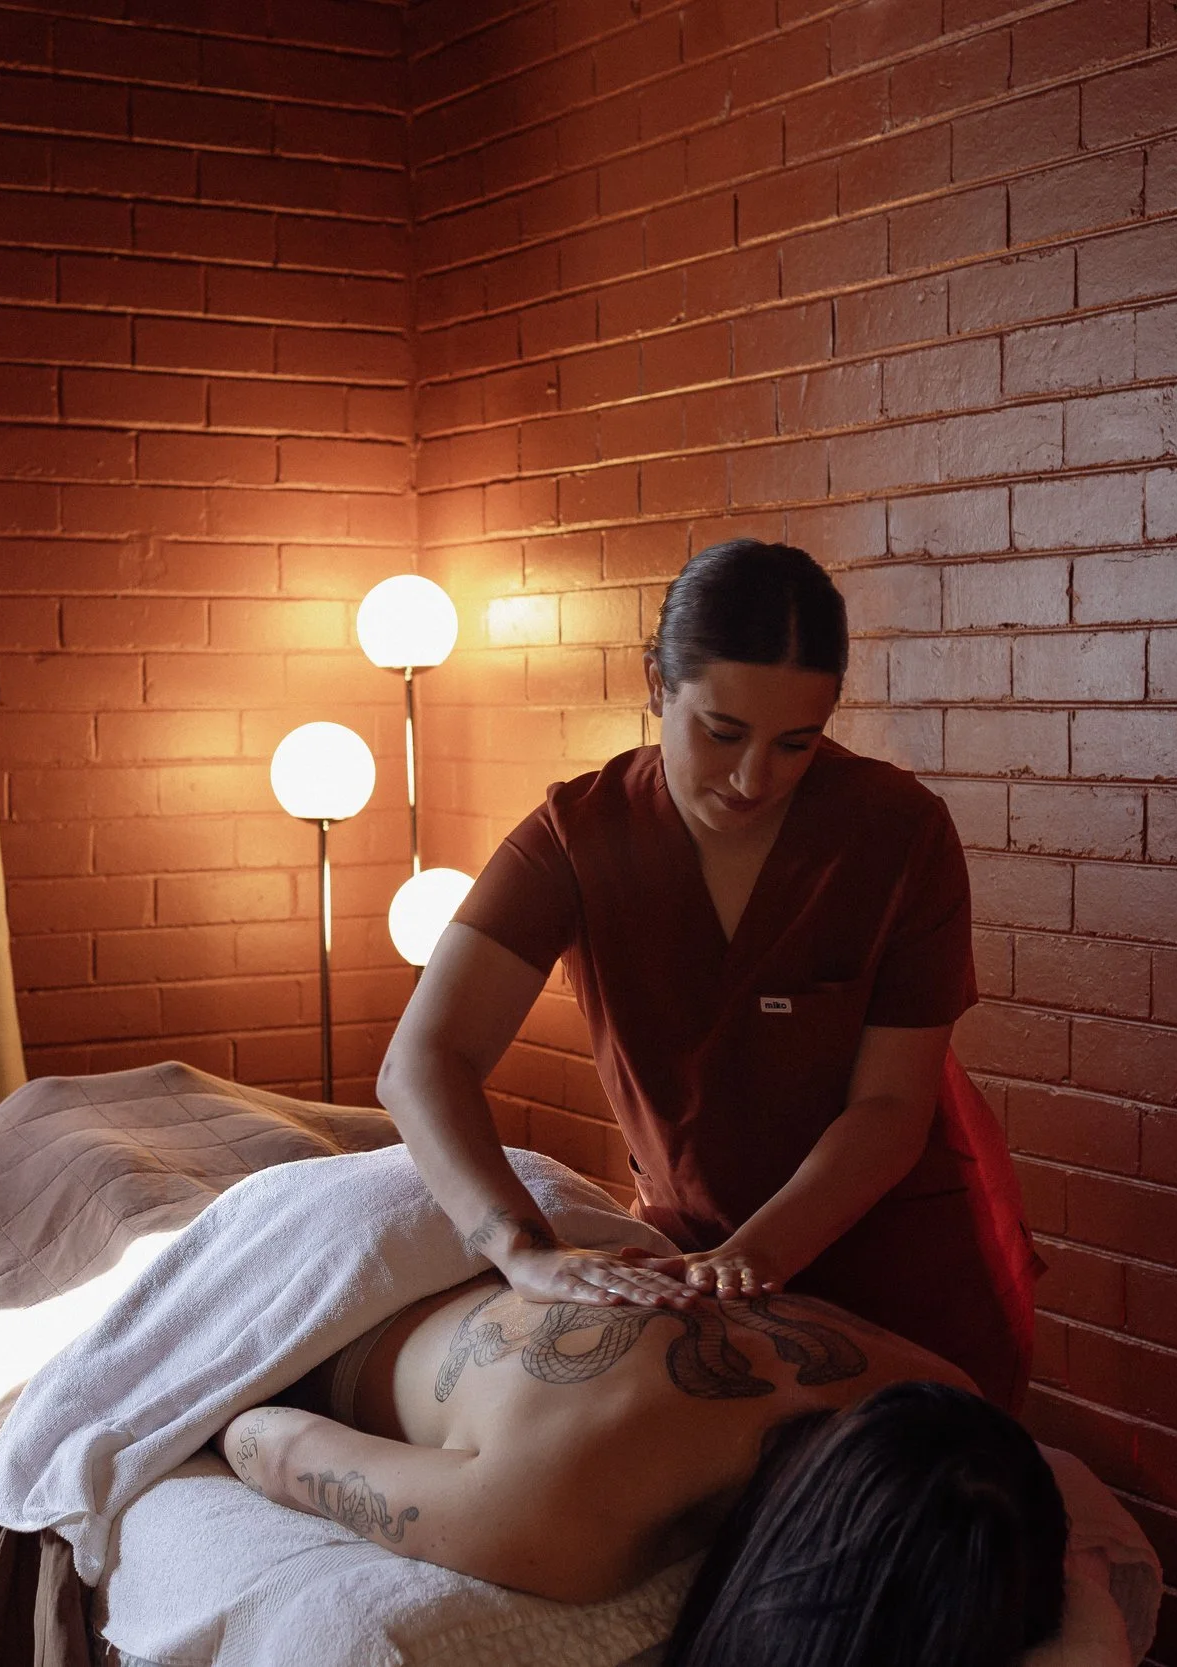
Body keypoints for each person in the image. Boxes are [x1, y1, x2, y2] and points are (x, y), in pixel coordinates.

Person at [376, 539, 1038, 1407]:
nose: (753, 778)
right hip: (694, 1273)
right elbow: (423, 1061)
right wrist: (522, 1248)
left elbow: (889, 1107)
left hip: (903, 1274)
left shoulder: (898, 835)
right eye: (721, 733)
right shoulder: (579, 838)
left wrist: (754, 1258)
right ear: (657, 683)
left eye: (796, 743)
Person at [213, 1272, 1069, 1664]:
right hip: (346, 1277)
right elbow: (266, 1438)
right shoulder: (569, 1511)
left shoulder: (951, 1395)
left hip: (555, 1236)